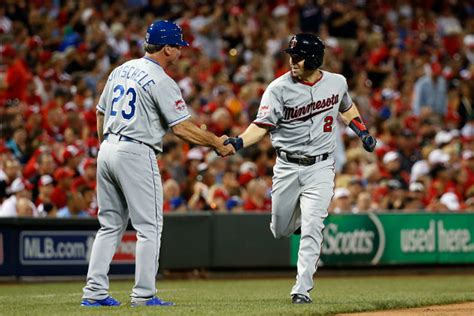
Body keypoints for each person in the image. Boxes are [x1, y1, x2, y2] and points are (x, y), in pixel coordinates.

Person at [81, 20, 234, 308]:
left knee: (109, 225)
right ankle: (144, 294)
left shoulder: (121, 69)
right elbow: (182, 129)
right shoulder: (161, 80)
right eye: (177, 47)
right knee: (149, 227)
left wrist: (107, 144)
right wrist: (215, 142)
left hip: (108, 148)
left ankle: (94, 292)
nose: (180, 52)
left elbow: (100, 113)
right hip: (135, 151)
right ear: (166, 48)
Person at [224, 33, 376, 304]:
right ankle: (297, 223)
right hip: (287, 166)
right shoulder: (278, 88)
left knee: (313, 226)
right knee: (280, 229)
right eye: (291, 56)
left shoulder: (336, 82)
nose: (292, 61)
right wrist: (238, 142)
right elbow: (261, 126)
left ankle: (301, 290)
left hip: (320, 166)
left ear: (315, 58)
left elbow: (347, 109)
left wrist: (362, 132)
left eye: (298, 56)